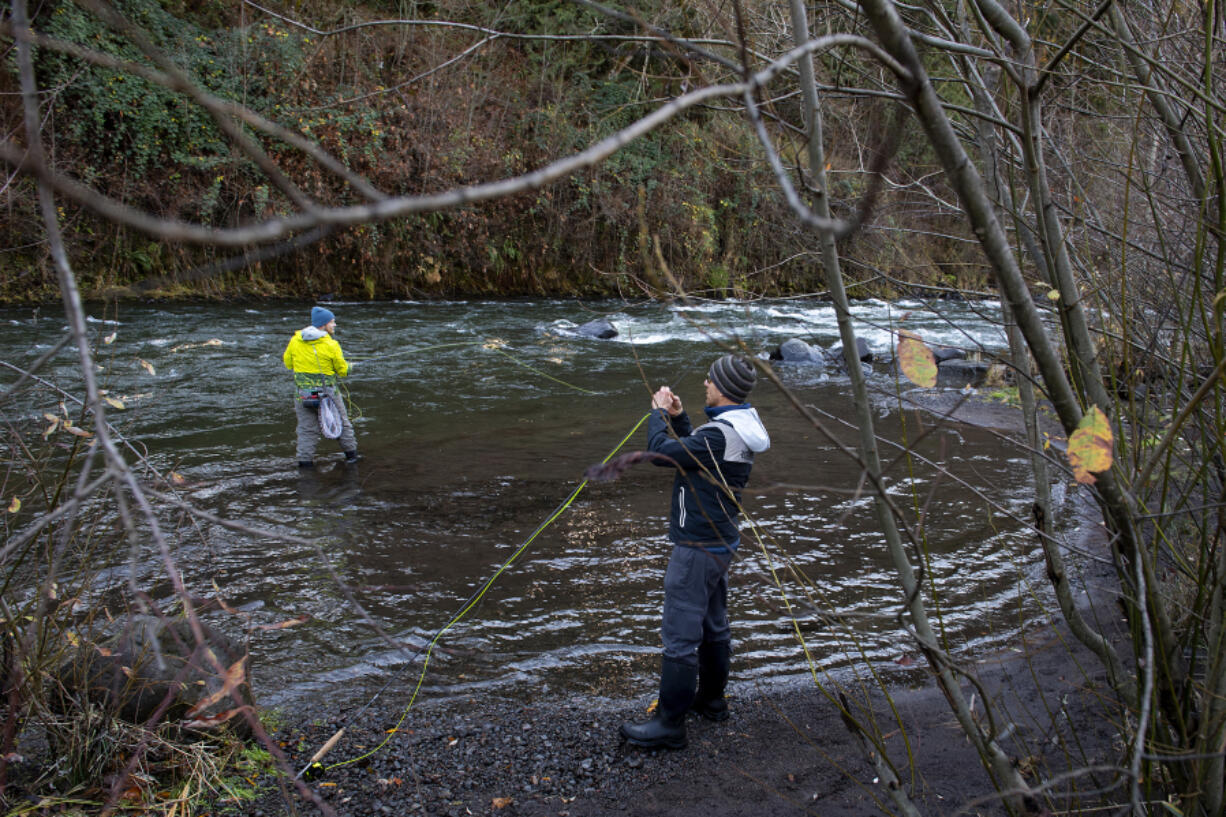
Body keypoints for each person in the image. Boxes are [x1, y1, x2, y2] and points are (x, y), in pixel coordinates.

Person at [620, 353, 770, 750]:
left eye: (709, 379)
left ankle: (670, 724)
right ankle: (712, 702)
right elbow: (697, 454)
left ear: (722, 388)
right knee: (713, 625)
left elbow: (662, 455)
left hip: (696, 546)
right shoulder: (738, 428)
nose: (705, 383)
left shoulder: (718, 434)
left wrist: (656, 413)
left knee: (680, 635)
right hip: (720, 542)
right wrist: (682, 417)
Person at [282, 306, 359, 467]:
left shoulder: (295, 340)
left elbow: (288, 363)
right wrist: (350, 366)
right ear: (323, 324)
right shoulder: (331, 345)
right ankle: (352, 458)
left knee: (306, 429)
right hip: (328, 393)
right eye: (332, 322)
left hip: (302, 394)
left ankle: (305, 463)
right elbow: (343, 371)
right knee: (342, 424)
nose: (335, 325)